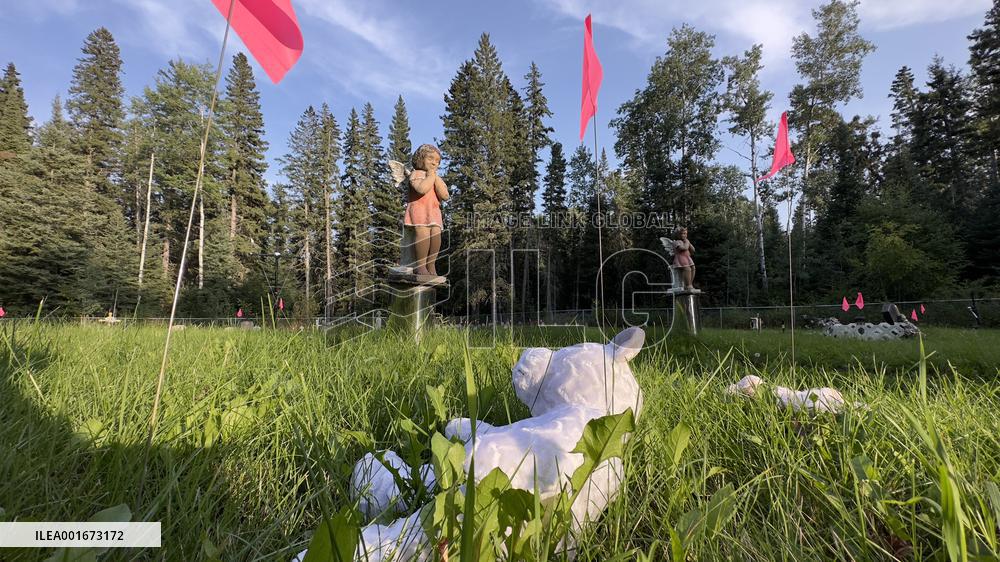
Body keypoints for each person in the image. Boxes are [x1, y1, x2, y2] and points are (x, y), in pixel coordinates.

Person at [406, 144, 449, 276]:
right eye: (430, 158)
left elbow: (445, 196)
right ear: (421, 158)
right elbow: (421, 189)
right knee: (423, 235)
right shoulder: (417, 173)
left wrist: (435, 179)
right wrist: (430, 176)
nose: (434, 163)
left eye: (437, 161)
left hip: (433, 211)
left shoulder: (436, 177)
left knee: (436, 236)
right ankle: (421, 266)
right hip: (419, 210)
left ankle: (431, 265)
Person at [672, 226, 695, 291]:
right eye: (681, 234)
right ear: (677, 235)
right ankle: (687, 285)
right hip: (680, 259)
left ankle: (689, 283)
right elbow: (683, 248)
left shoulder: (686, 242)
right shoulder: (676, 242)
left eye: (685, 233)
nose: (683, 235)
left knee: (693, 268)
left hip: (687, 258)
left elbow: (693, 250)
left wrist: (689, 243)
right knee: (687, 268)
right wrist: (687, 242)